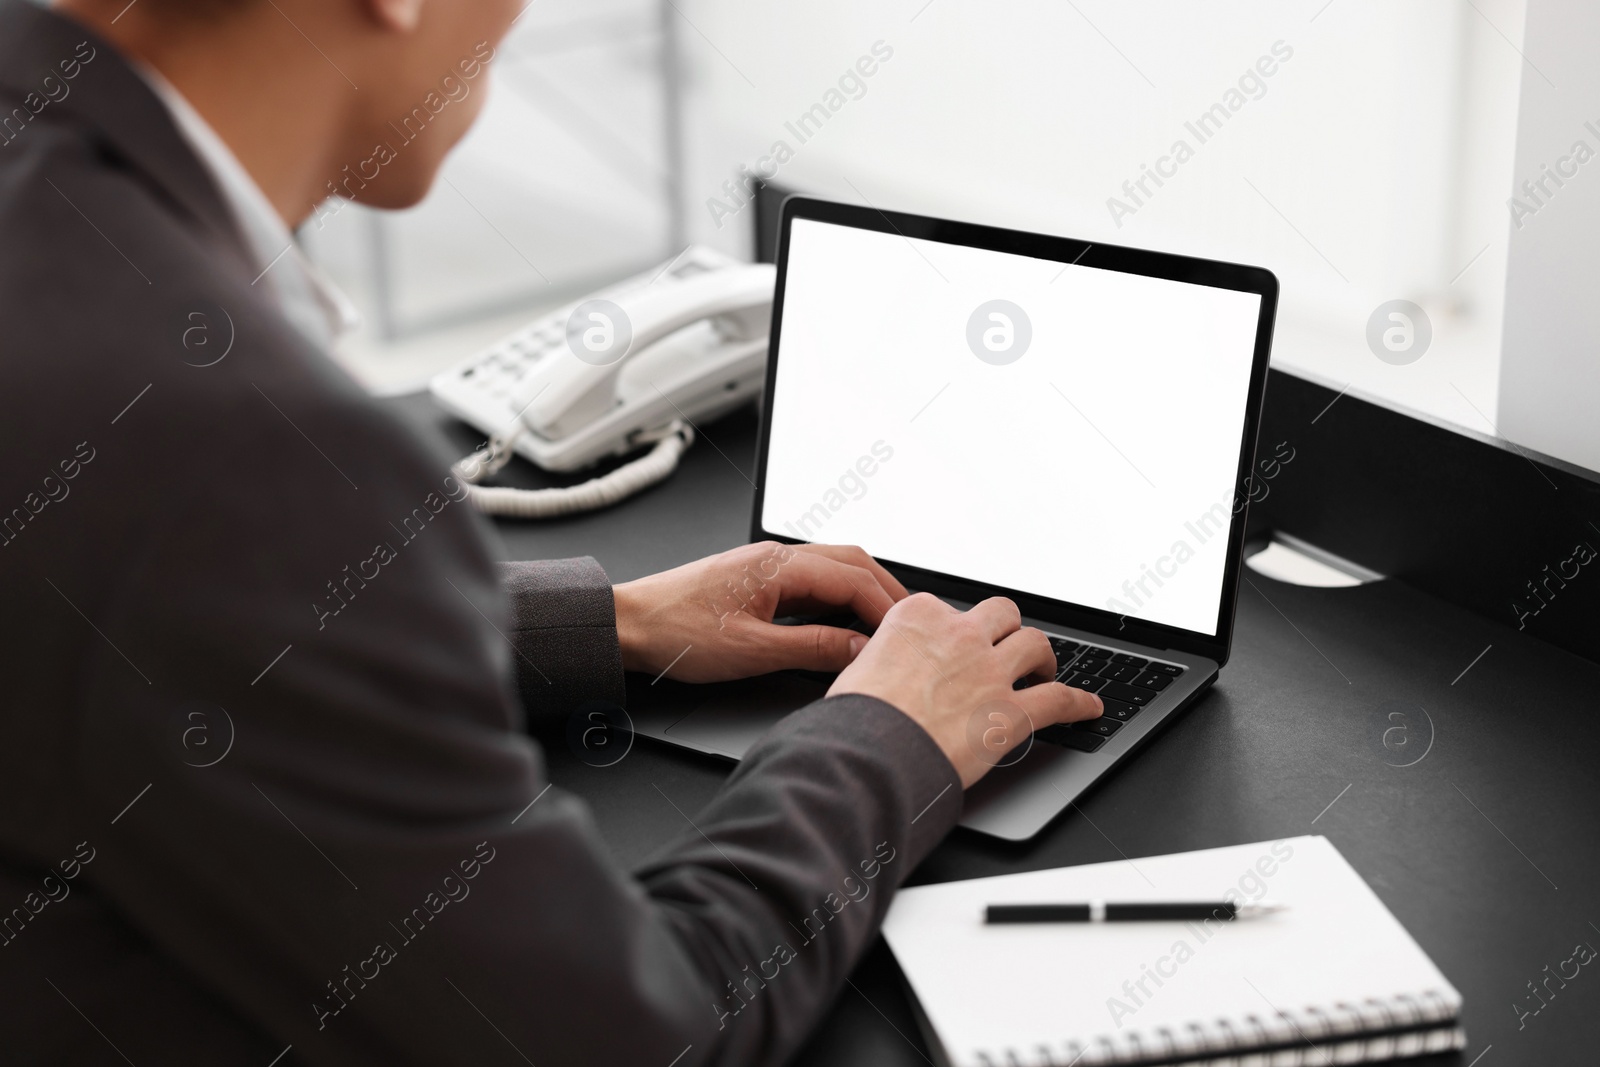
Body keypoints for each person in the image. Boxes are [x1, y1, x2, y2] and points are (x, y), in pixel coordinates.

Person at [0, 1, 1102, 1062]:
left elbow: (109, 613)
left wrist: (602, 623)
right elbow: (625, 1036)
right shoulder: (239, 436)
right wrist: (888, 738)